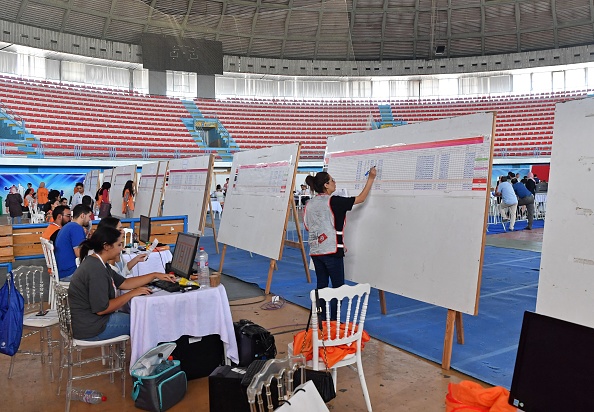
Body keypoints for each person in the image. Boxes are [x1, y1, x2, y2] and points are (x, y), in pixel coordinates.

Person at [67, 225, 177, 341]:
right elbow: (101, 309)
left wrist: (154, 275)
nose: (121, 249)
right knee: (146, 323)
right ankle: (148, 357)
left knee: (143, 319)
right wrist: (131, 294)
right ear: (106, 246)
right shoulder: (95, 269)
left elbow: (124, 283)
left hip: (90, 323)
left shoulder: (98, 262)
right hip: (92, 327)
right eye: (119, 245)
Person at [303, 166, 376, 320]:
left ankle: (319, 322)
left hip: (316, 252)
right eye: (332, 180)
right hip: (331, 251)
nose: (335, 183)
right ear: (326, 185)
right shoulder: (334, 201)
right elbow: (361, 199)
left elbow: (309, 226)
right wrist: (371, 179)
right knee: (338, 289)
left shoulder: (310, 204)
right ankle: (333, 323)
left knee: (321, 286)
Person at [54, 204, 93, 280]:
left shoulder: (67, 226)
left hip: (61, 270)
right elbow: (79, 253)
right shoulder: (76, 228)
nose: (89, 220)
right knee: (99, 274)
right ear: (82, 215)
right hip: (70, 272)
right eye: (89, 216)